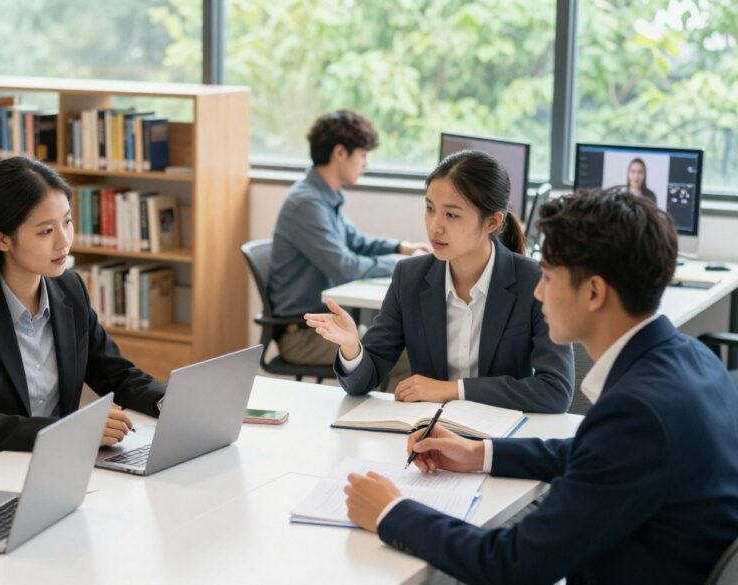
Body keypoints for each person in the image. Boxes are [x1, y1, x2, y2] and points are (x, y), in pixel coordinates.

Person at [343, 190, 738, 584]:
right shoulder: (694, 358)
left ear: (594, 292)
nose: (536, 292)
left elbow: (511, 564)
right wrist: (478, 452)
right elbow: (598, 454)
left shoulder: (638, 412)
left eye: (547, 277)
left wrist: (391, 512)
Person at [0, 157, 166, 464]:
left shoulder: (69, 289)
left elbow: (117, 375)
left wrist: (167, 400)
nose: (64, 241)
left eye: (66, 222)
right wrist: (74, 430)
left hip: (63, 465)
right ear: (1, 239)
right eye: (45, 232)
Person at [306, 151, 573, 413]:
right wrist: (352, 346)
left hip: (502, 440)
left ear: (492, 222)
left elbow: (555, 390)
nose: (435, 227)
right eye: (430, 209)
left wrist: (453, 390)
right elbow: (363, 381)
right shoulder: (409, 277)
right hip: (430, 436)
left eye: (451, 215)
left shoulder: (533, 281)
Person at [268, 110, 430, 366]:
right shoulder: (306, 203)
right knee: (413, 356)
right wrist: (406, 265)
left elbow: (356, 241)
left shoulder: (321, 197)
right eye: (363, 155)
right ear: (340, 153)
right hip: (304, 336)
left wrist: (402, 247)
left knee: (411, 346)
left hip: (325, 328)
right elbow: (345, 267)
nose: (366, 164)